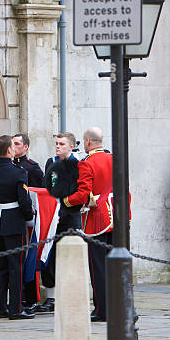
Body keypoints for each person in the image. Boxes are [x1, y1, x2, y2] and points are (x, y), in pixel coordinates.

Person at [0, 135, 35, 320]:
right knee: (15, 267)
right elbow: (24, 201)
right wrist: (28, 216)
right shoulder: (18, 172)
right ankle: (15, 308)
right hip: (14, 222)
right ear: (9, 150)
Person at [62, 127, 112, 322]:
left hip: (98, 218)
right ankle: (117, 306)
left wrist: (65, 200)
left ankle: (102, 310)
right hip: (117, 217)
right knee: (116, 264)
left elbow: (83, 194)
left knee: (98, 266)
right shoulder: (114, 158)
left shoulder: (87, 163)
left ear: (88, 143)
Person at [38, 132, 82, 313]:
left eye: (62, 144)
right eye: (56, 143)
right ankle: (51, 297)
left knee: (70, 257)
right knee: (49, 255)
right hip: (52, 215)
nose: (58, 146)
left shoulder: (78, 164)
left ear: (71, 146)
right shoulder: (51, 162)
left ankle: (71, 295)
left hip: (70, 215)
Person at [12, 133, 44, 312]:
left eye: (17, 144)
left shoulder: (32, 168)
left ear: (25, 147)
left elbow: (41, 192)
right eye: (12, 143)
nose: (14, 146)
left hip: (30, 220)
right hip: (14, 219)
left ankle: (30, 297)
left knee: (29, 258)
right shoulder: (10, 166)